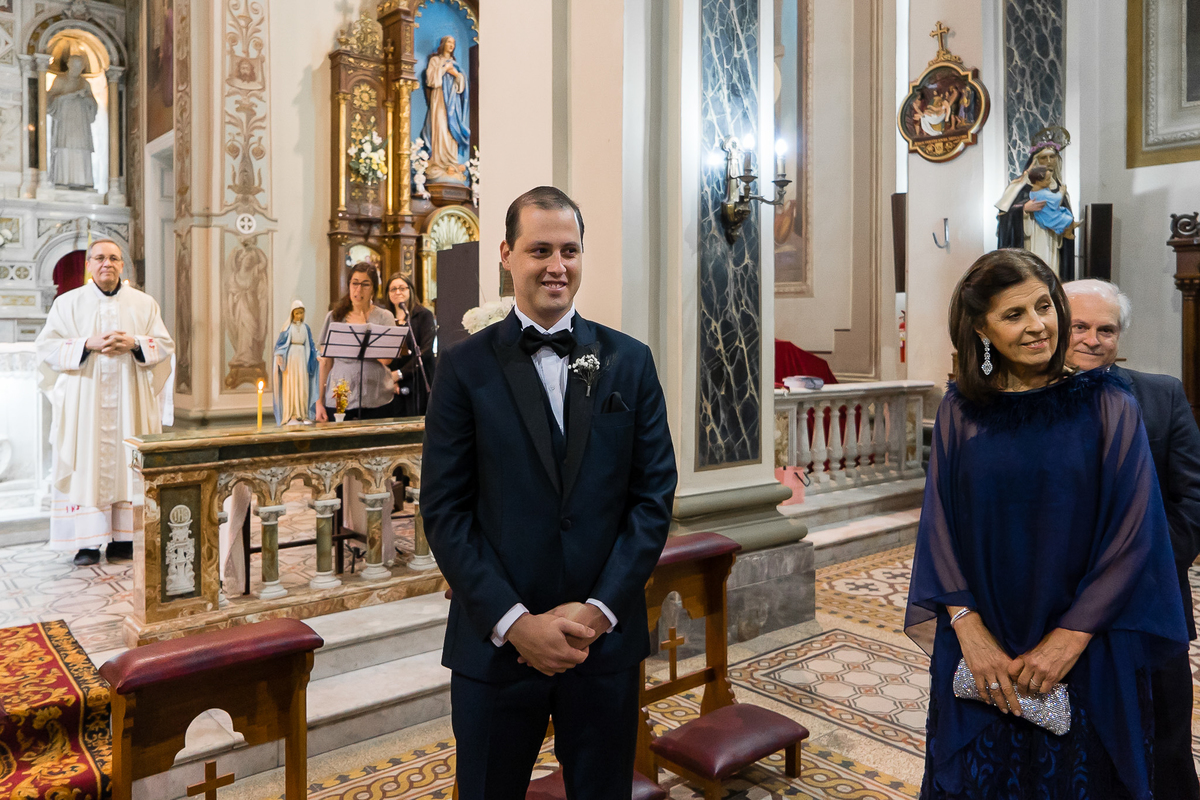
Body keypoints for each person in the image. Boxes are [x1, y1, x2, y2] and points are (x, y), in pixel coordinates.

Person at [421, 186, 677, 800]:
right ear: (506, 255)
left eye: (570, 250)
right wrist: (516, 624)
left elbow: (653, 497)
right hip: (496, 646)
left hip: (602, 645)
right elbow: (445, 511)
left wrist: (600, 609)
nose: (556, 266)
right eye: (540, 250)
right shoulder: (463, 368)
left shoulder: (629, 362)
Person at [906, 248, 1187, 799]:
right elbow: (939, 526)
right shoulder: (959, 411)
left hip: (1086, 645)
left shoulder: (1110, 405)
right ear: (981, 330)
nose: (1039, 326)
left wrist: (1069, 638)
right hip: (982, 643)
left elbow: (1134, 536)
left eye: (1044, 306)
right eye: (1014, 315)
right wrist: (967, 626)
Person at [1064, 278, 1200, 800]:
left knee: (1165, 747)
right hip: (1059, 613)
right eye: (1080, 326)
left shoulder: (1161, 395)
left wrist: (1143, 563)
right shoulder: (1021, 402)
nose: (1093, 339)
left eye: (1107, 329)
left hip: (1151, 607)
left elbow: (1193, 499)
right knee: (1078, 746)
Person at [36, 239, 174, 566]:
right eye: (99, 258)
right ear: (89, 264)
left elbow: (165, 345)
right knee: (87, 463)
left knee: (127, 463)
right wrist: (87, 343)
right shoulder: (68, 303)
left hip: (130, 398)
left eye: (114, 258)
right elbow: (46, 348)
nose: (106, 264)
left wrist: (135, 343)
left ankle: (123, 540)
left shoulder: (144, 304)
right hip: (85, 401)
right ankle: (87, 542)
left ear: (122, 265)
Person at [314, 264, 396, 422]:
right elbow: (325, 362)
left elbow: (386, 360)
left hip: (376, 396)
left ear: (373, 289)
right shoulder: (335, 316)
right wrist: (319, 402)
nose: (359, 290)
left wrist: (366, 331)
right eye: (355, 283)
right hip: (340, 396)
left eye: (365, 284)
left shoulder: (385, 317)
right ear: (349, 285)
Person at [995, 141, 1075, 278]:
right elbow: (1004, 217)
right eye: (1044, 157)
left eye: (1052, 157)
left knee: (1051, 276)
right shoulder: (1019, 186)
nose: (1049, 161)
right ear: (1035, 160)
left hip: (1052, 241)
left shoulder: (1060, 188)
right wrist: (1023, 209)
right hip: (1030, 241)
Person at [383, 274, 436, 417]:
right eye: (393, 289)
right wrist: (389, 378)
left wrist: (399, 374)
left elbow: (425, 351)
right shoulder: (384, 317)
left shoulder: (424, 315)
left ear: (410, 290)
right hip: (391, 384)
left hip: (417, 380)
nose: (397, 292)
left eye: (402, 288)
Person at [47, 54, 98, 189]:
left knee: (81, 149)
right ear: (69, 65)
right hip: (65, 121)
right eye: (74, 65)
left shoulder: (85, 83)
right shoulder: (60, 79)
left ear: (82, 68)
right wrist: (68, 96)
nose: (76, 69)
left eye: (79, 66)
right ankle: (62, 179)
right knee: (65, 147)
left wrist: (86, 98)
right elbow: (50, 98)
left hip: (81, 123)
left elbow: (93, 103)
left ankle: (84, 181)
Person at [272, 299, 319, 425]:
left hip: (302, 357)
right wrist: (279, 356)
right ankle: (292, 413)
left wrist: (316, 355)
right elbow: (280, 346)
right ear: (292, 314)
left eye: (301, 313)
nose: (299, 316)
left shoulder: (306, 328)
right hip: (291, 359)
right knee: (291, 385)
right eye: (297, 313)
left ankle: (302, 413)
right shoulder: (287, 328)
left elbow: (311, 345)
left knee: (302, 384)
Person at [1026, 166, 1078, 240]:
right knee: (1067, 218)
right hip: (1047, 216)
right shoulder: (1043, 193)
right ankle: (1067, 233)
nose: (1050, 181)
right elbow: (1055, 199)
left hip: (1044, 214)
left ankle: (1071, 225)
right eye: (1047, 180)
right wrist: (1061, 191)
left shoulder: (1033, 191)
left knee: (1064, 212)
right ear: (1038, 181)